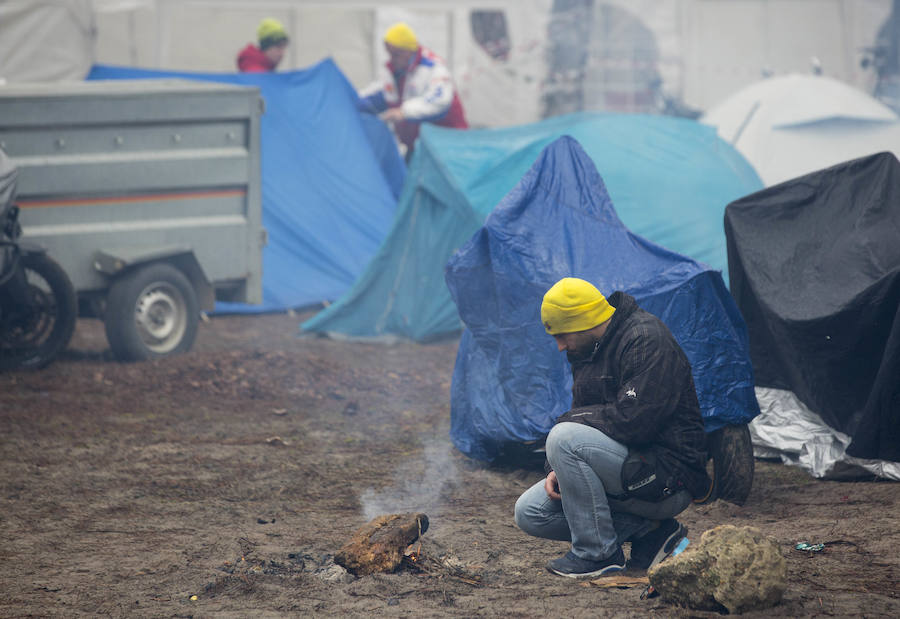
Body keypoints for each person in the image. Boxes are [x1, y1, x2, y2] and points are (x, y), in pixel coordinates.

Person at [514, 277, 712, 578]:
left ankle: (597, 555)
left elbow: (635, 424)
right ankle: (652, 533)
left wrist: (566, 434)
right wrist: (561, 467)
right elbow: (590, 423)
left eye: (562, 335)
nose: (559, 346)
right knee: (530, 512)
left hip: (668, 477)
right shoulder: (587, 349)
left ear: (583, 322)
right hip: (627, 470)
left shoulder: (646, 339)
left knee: (564, 436)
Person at [358, 22, 468, 157]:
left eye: (396, 54)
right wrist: (351, 100)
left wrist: (403, 112)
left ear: (408, 50)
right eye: (389, 53)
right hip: (418, 148)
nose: (392, 59)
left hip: (449, 147)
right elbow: (377, 94)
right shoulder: (393, 71)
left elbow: (440, 101)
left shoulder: (433, 68)